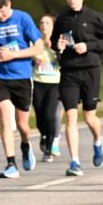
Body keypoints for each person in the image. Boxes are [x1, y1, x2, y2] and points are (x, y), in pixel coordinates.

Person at [51, 0, 103, 177]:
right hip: (69, 71)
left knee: (89, 117)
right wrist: (58, 46)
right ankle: (75, 162)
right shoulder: (61, 18)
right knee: (70, 117)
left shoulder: (96, 17)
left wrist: (88, 46)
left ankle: (98, 141)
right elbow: (55, 41)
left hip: (90, 70)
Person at [0, 0, 43, 178]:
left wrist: (13, 54)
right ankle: (11, 163)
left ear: (9, 4)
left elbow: (39, 46)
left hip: (22, 77)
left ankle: (25, 144)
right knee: (4, 116)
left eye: (3, 11)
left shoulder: (23, 18)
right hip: (0, 77)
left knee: (22, 125)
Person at [33, 14, 63, 162]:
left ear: (53, 26)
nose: (44, 25)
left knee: (50, 115)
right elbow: (28, 55)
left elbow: (66, 60)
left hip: (55, 83)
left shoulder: (59, 40)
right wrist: (35, 59)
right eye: (42, 22)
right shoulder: (35, 41)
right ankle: (44, 135)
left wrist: (57, 51)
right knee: (39, 117)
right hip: (38, 81)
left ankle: (50, 147)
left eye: (47, 23)